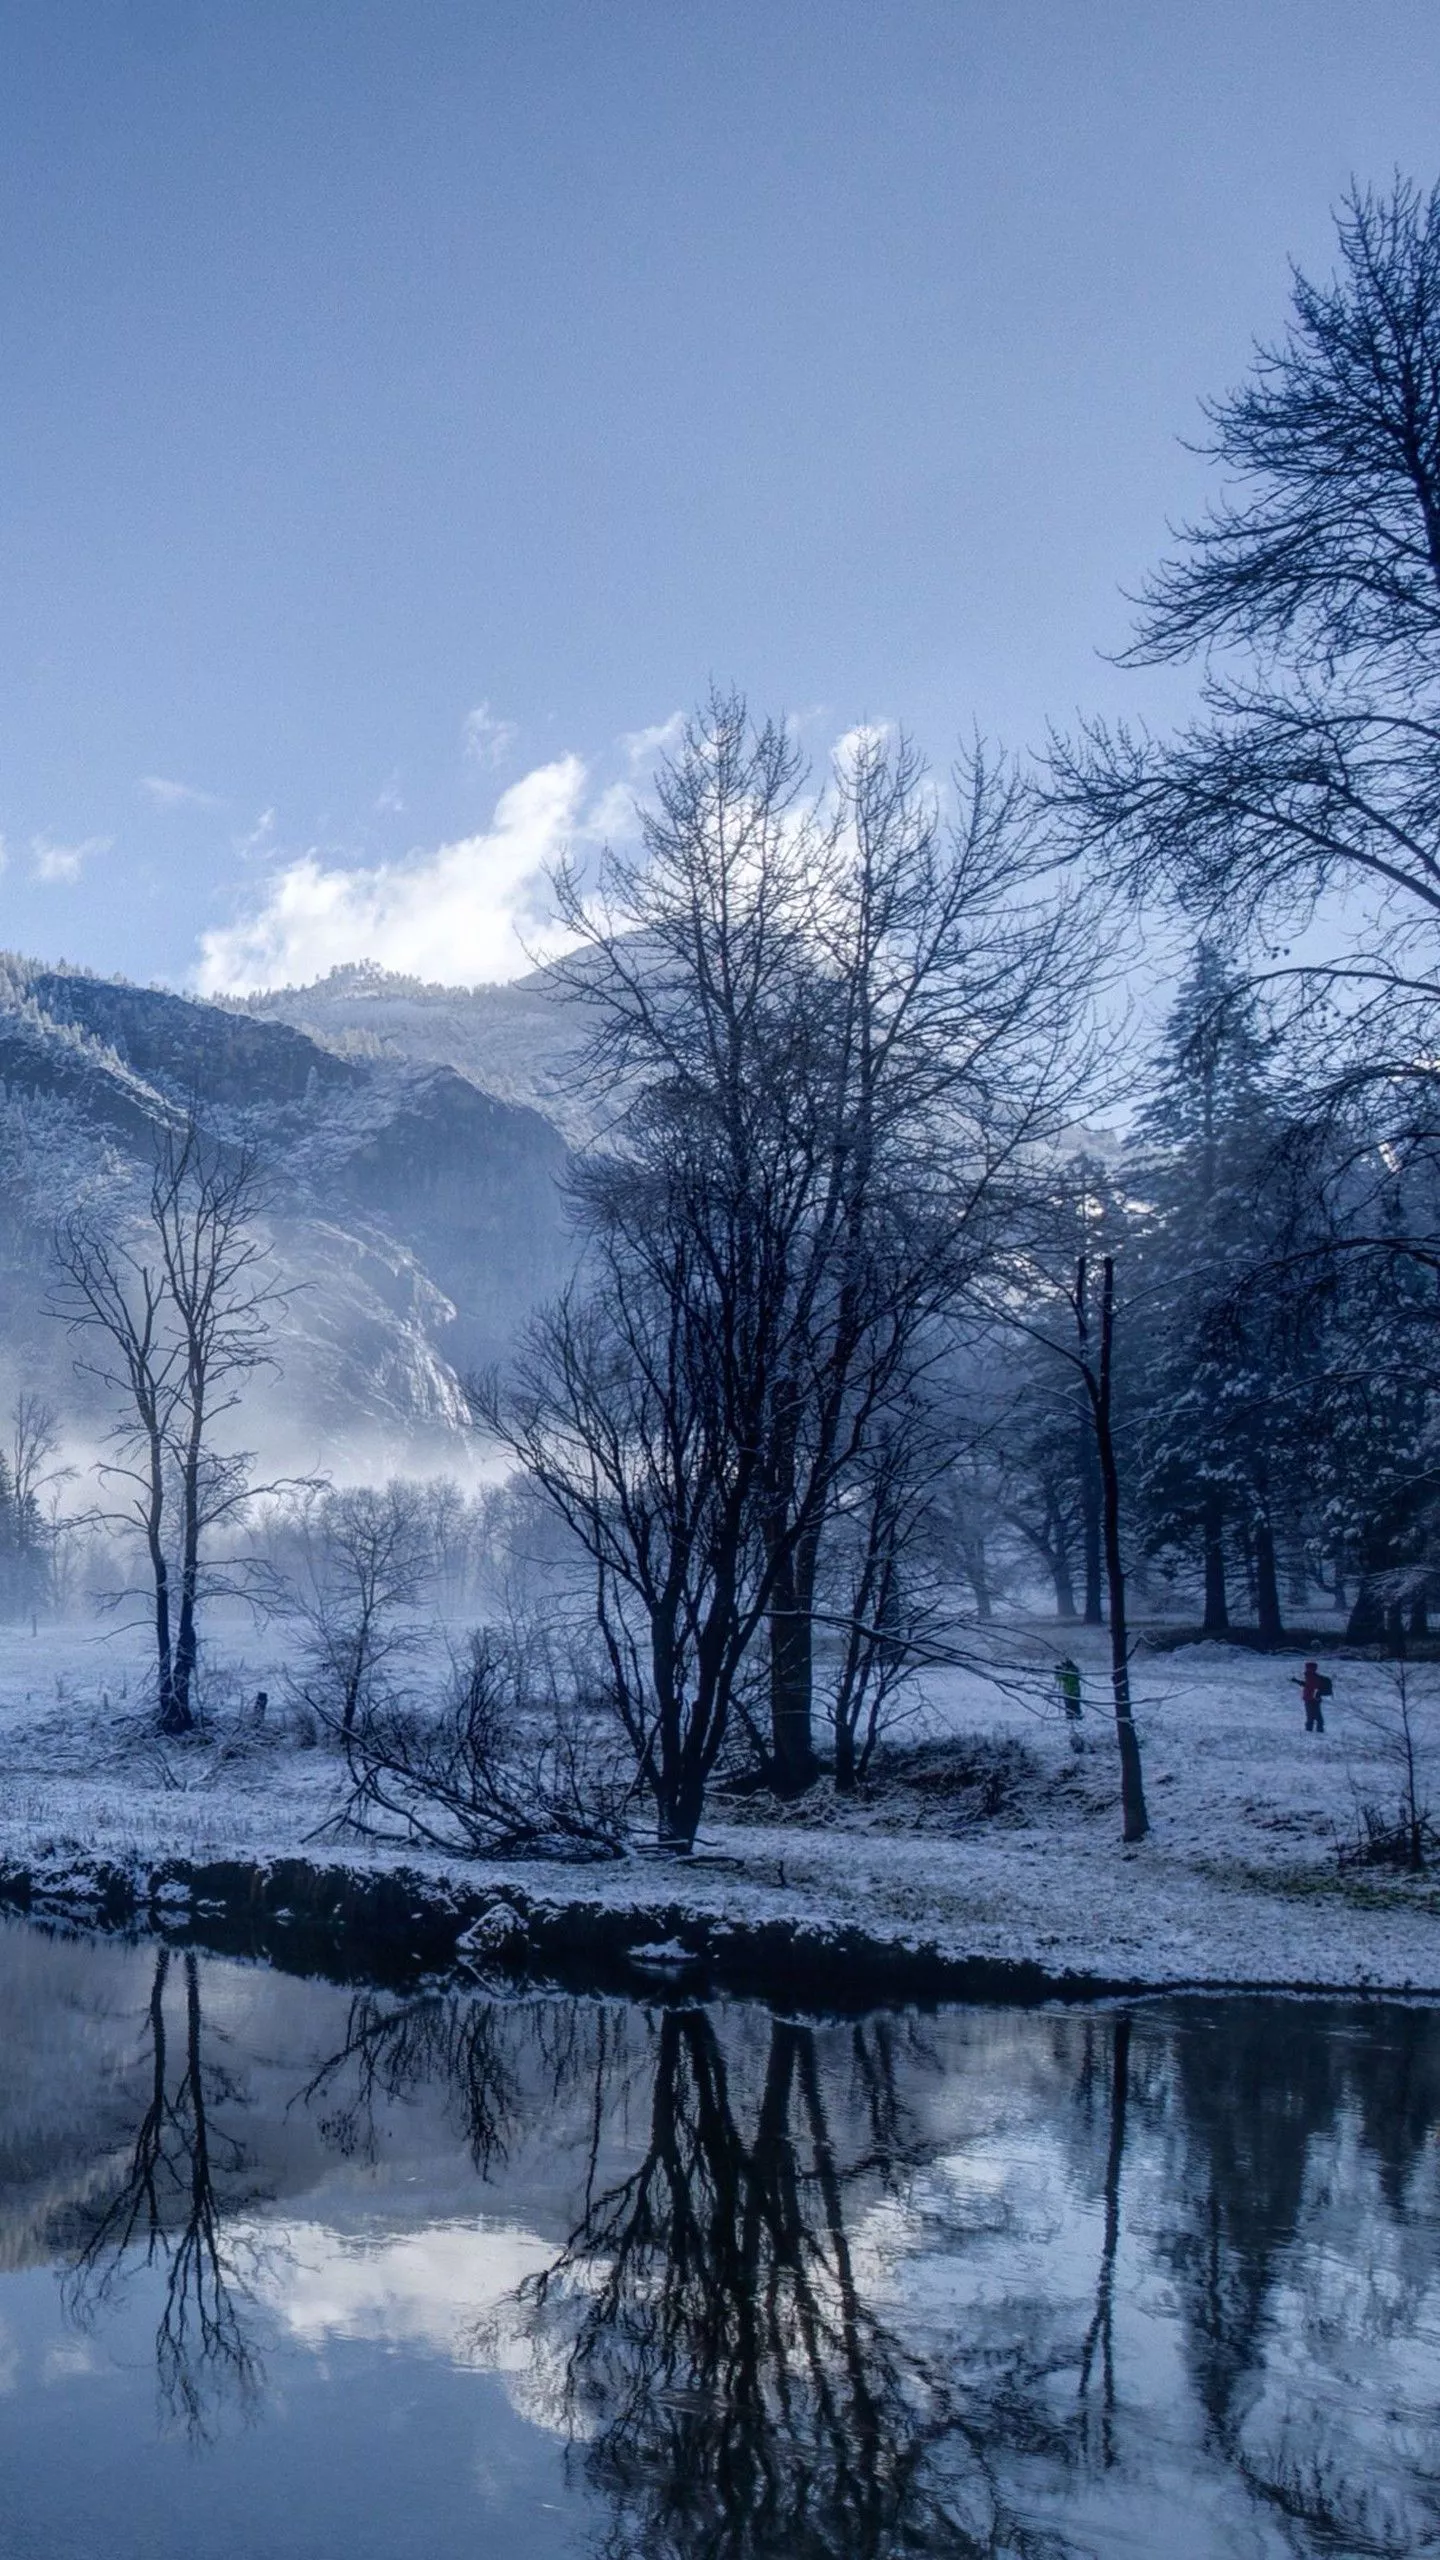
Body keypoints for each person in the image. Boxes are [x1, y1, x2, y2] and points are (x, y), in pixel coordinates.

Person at [1294, 1660, 1332, 1734]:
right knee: (1317, 1718)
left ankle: (1309, 1732)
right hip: (1314, 1699)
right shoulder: (1314, 1676)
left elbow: (1308, 1686)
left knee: (1311, 1717)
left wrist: (1297, 1681)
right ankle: (1318, 1732)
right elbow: (1310, 1686)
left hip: (1309, 1699)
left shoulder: (1309, 1676)